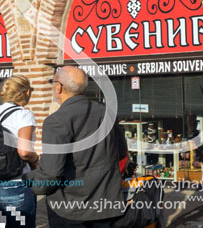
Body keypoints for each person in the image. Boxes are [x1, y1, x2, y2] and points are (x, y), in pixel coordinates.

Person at [29, 66, 127, 228]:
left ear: (59, 87)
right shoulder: (106, 113)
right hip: (106, 205)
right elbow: (121, 152)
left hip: (70, 209)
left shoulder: (57, 120)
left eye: (53, 82)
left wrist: (32, 184)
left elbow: (51, 172)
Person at [0, 76, 39, 228]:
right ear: (27, 92)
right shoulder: (23, 115)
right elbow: (24, 151)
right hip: (14, 184)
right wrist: (35, 160)